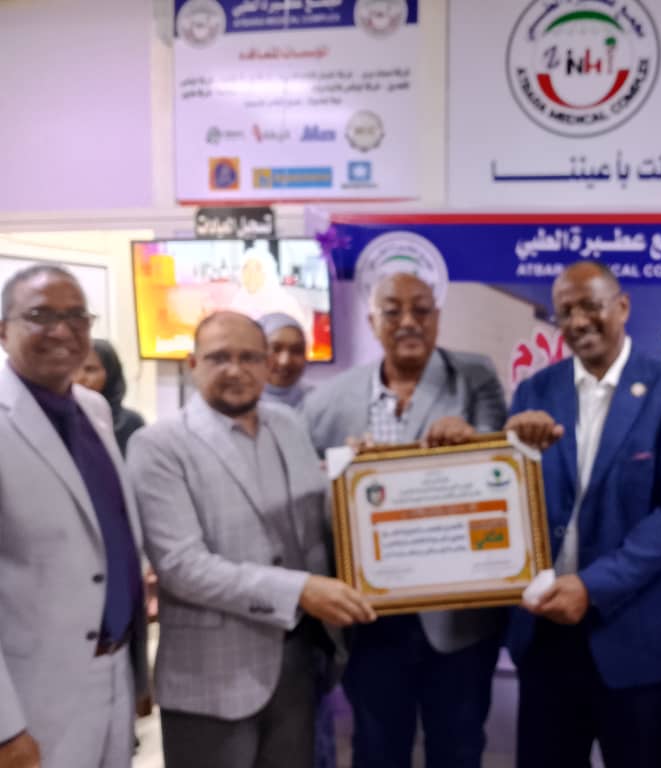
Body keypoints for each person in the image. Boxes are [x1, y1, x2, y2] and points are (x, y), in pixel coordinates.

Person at [126, 311, 375, 768]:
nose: (235, 369)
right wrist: (300, 590)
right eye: (219, 357)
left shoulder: (288, 424)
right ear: (192, 364)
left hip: (298, 662)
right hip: (212, 678)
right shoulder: (158, 445)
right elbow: (183, 568)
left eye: (249, 357)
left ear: (266, 365)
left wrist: (365, 481)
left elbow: (316, 516)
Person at [504, 261, 661, 768]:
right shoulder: (534, 393)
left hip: (637, 641)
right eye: (565, 312)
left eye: (591, 306)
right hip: (546, 639)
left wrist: (591, 587)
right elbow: (509, 503)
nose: (578, 322)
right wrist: (508, 453)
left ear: (622, 307)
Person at [301, 272, 508, 768]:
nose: (408, 321)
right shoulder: (326, 403)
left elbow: (497, 469)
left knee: (458, 749)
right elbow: (308, 504)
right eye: (392, 311)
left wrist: (469, 441)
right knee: (377, 749)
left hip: (457, 618)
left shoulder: (473, 377)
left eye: (421, 309)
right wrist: (344, 478)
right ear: (372, 321)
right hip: (370, 619)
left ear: (437, 318)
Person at [0, 265, 147, 768]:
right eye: (41, 315)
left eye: (76, 316)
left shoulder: (94, 410)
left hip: (113, 671)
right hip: (33, 694)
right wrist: (5, 727)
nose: (62, 330)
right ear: (3, 330)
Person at [75, 339, 146, 455]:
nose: (79, 378)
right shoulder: (61, 420)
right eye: (74, 368)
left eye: (90, 370)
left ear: (111, 373)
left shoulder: (131, 423)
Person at [259, 313, 313, 408]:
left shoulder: (317, 400)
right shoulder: (238, 404)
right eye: (275, 349)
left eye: (297, 350)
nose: (285, 362)